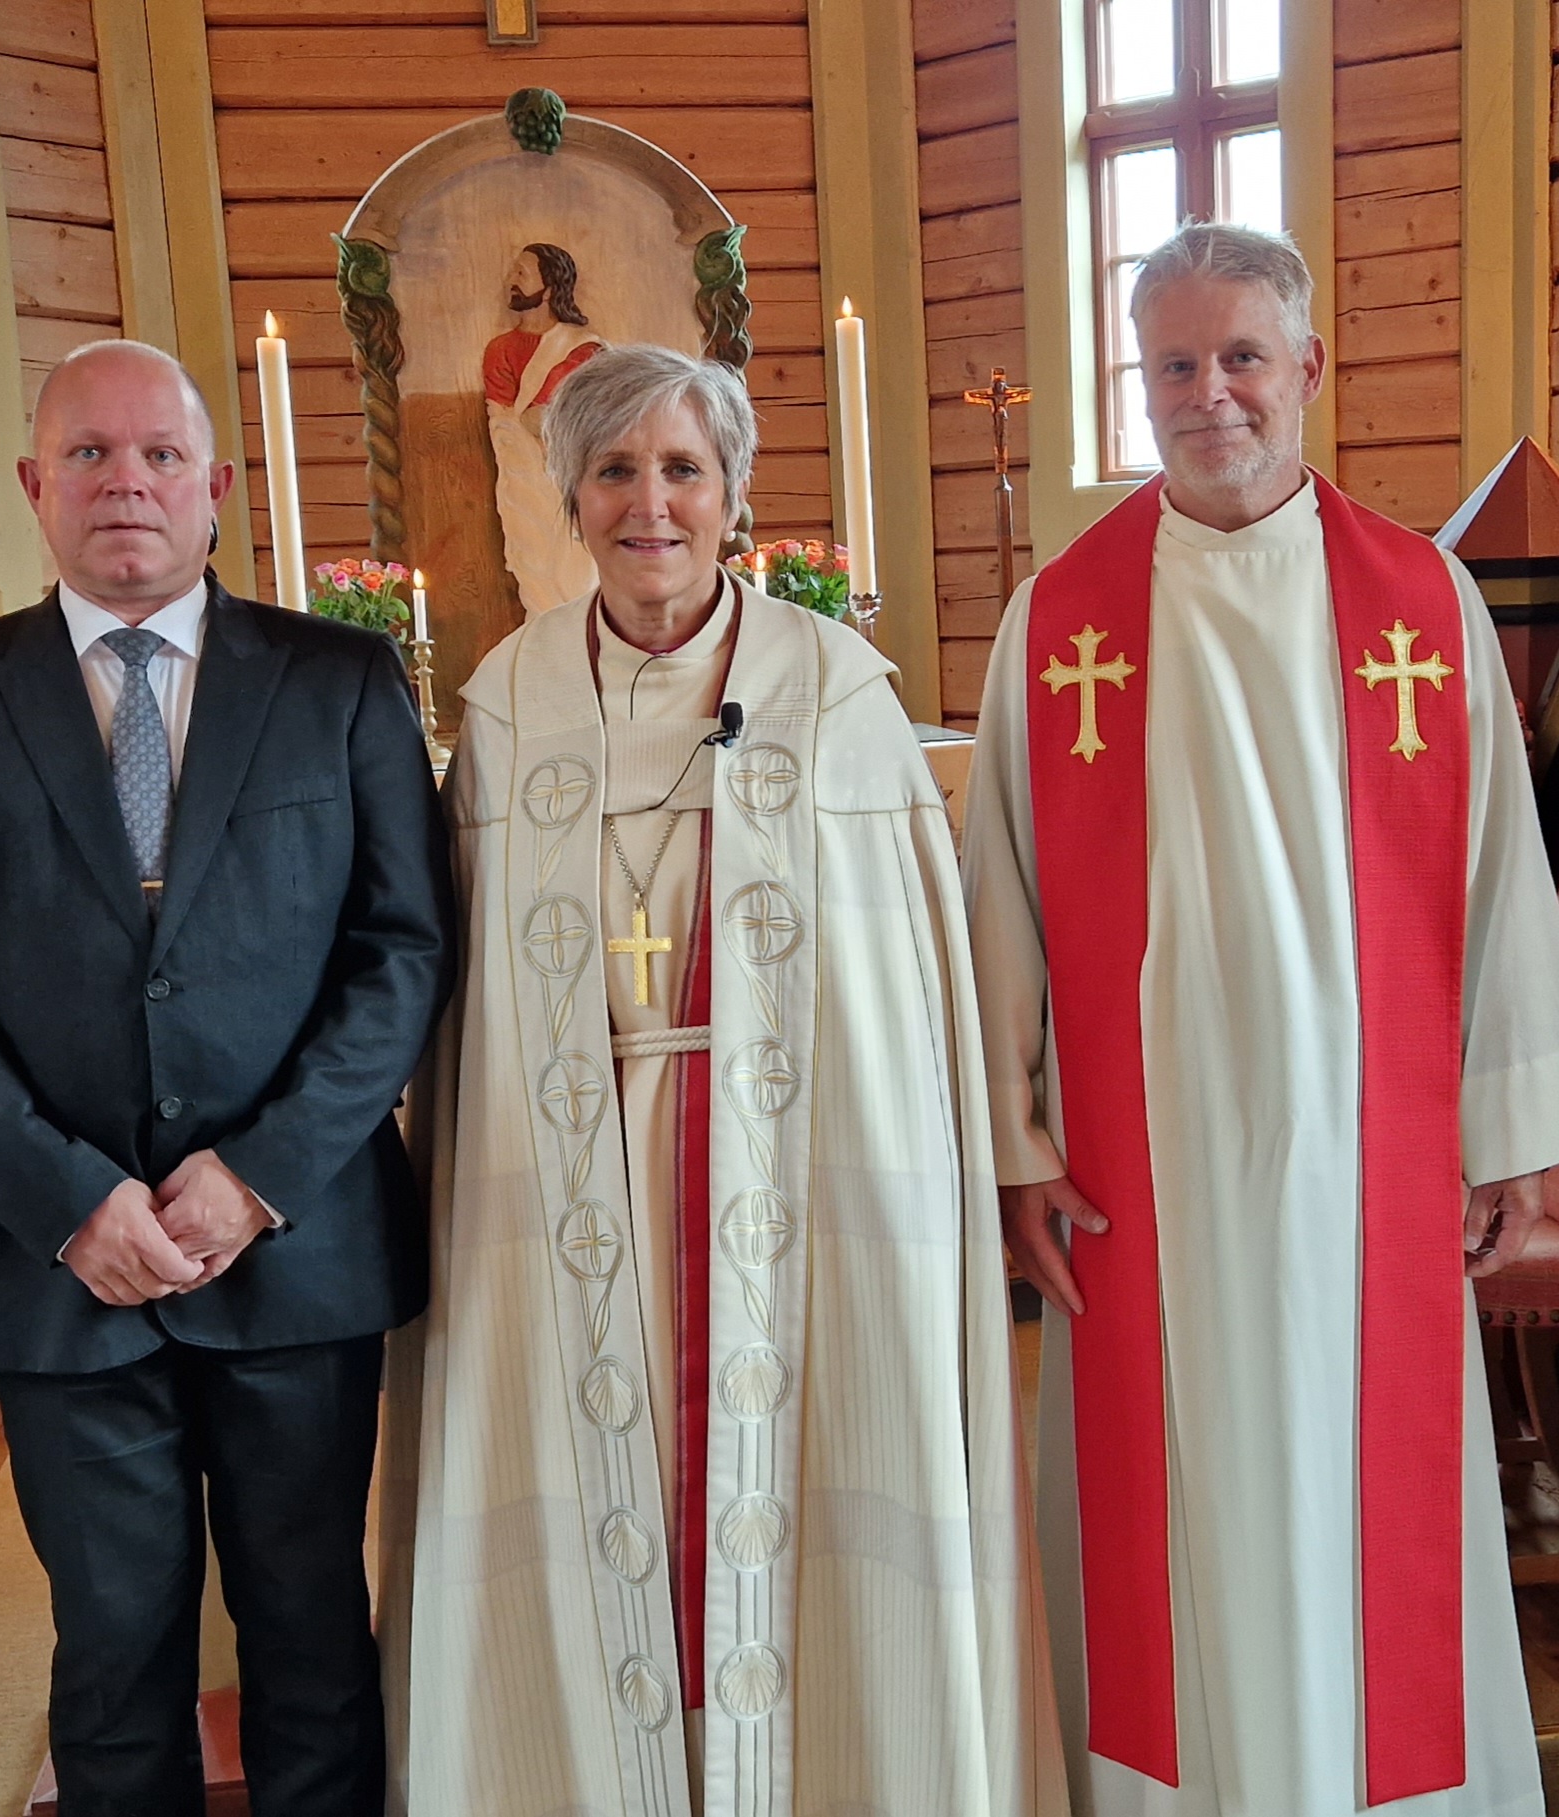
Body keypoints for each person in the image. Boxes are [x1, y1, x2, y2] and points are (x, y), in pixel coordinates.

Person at [963, 222, 1559, 1817]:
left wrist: (1509, 1128)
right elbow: (1003, 902)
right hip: (1148, 1160)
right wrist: (1020, 1140)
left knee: (1362, 1490)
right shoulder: (1062, 621)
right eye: (1174, 366)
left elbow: (1492, 878)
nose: (1211, 396)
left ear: (1309, 368)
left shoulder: (1422, 599)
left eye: (1242, 357)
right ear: (1142, 385)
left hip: (1366, 1155)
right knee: (1176, 1504)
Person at [382, 343, 1062, 1817]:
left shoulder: (837, 697)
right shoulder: (503, 714)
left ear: (735, 493)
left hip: (806, 1189)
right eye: (616, 471)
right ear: (568, 496)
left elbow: (902, 998)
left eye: (684, 468)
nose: (652, 504)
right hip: (570, 1193)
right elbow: (464, 1009)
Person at [0, 339, 452, 1816]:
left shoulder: (342, 679)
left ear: (219, 489)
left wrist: (257, 1177)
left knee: (311, 1630)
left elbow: (403, 950)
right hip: (59, 1258)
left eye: (161, 456)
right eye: (93, 454)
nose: (129, 483)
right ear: (32, 485)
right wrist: (70, 1196)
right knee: (112, 1647)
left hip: (295, 1247)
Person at [486, 242, 606, 616]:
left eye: (522, 273)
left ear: (550, 287)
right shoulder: (500, 349)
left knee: (575, 565)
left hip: (572, 478)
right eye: (513, 273)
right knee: (533, 564)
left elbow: (550, 415)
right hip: (522, 481)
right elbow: (507, 422)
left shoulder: (584, 348)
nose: (511, 281)